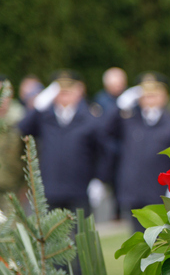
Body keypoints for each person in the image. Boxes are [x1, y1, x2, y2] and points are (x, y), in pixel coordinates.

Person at [18, 70, 107, 214]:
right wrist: (37, 107)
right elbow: (23, 129)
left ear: (79, 90)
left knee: (81, 228)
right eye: (60, 91)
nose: (64, 95)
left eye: (69, 91)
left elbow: (102, 152)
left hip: (79, 189)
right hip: (50, 189)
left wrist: (99, 179)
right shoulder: (44, 117)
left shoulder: (90, 118)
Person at [107, 73, 170, 232]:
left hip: (160, 192)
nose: (150, 99)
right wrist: (119, 106)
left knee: (162, 238)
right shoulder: (129, 121)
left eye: (154, 94)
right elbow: (104, 130)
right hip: (134, 192)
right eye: (145, 95)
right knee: (138, 238)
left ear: (164, 96)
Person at [0, 76, 25, 214]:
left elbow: (30, 156)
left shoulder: (21, 121)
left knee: (12, 224)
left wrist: (27, 186)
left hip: (12, 188)